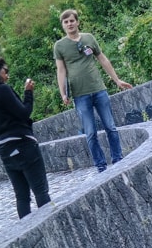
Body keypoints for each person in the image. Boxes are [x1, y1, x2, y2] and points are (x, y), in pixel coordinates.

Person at [53, 9, 133, 173]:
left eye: (72, 20)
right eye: (66, 22)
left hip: (99, 89)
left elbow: (102, 58)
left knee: (110, 126)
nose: (69, 24)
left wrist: (117, 80)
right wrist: (63, 93)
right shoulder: (59, 46)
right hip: (80, 95)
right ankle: (100, 165)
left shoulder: (89, 38)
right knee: (90, 133)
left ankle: (118, 159)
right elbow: (60, 71)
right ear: (63, 25)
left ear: (77, 22)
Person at [0, 56, 51, 219]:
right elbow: (23, 113)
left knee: (22, 197)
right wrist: (28, 93)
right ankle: (52, 225)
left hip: (5, 150)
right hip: (23, 144)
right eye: (5, 71)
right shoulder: (1, 89)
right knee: (40, 190)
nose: (7, 75)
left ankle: (26, 232)